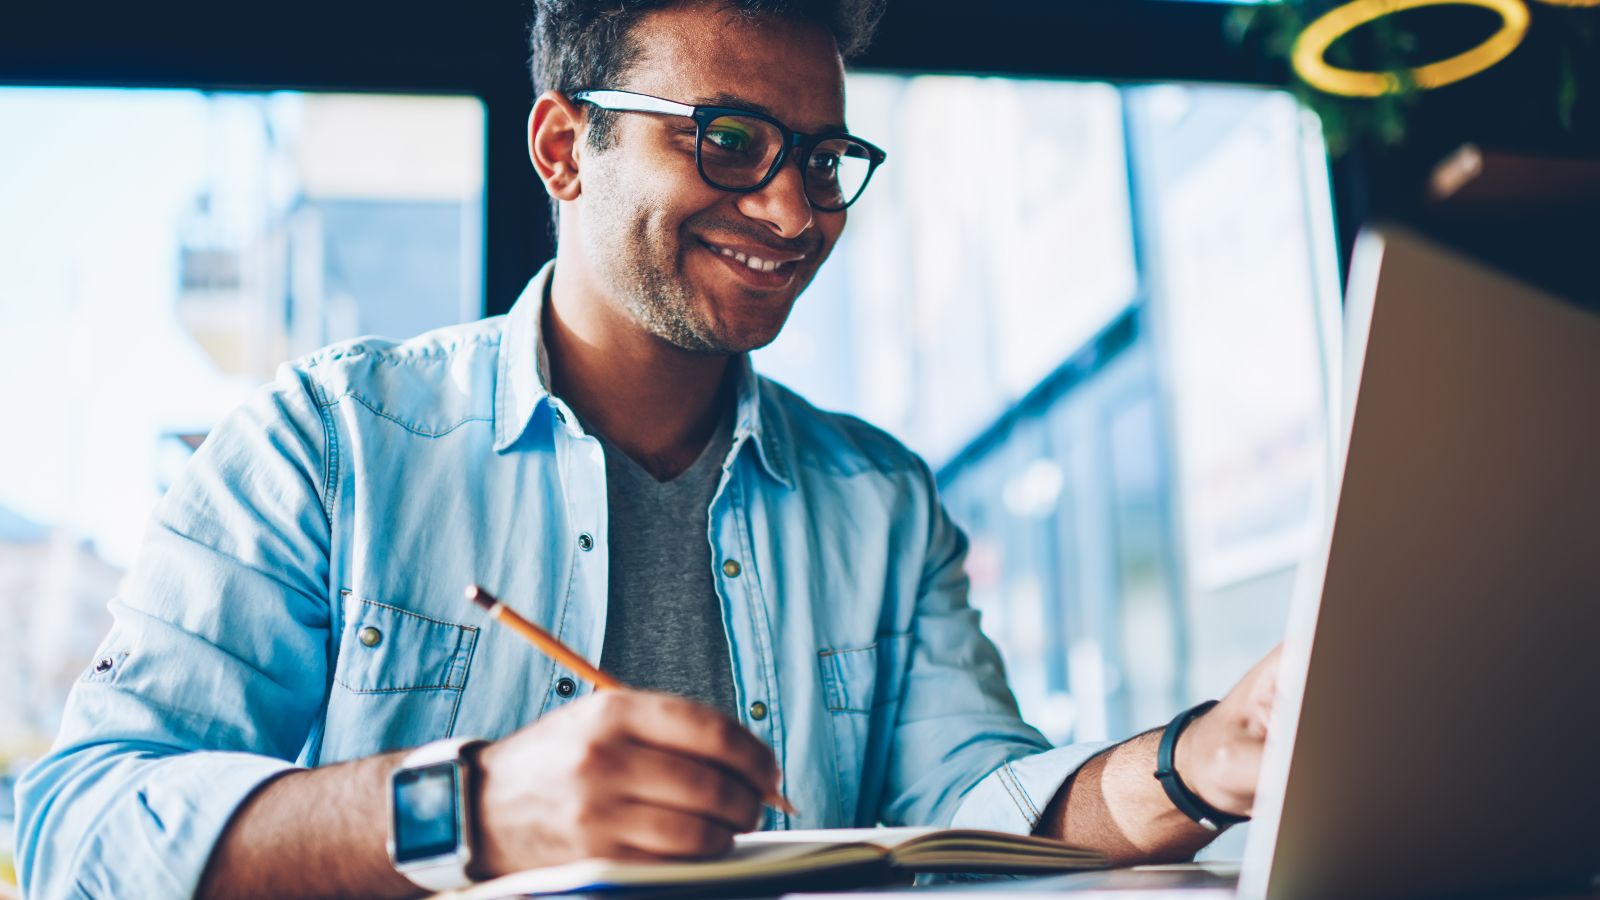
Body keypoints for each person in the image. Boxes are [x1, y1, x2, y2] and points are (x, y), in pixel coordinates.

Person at [14, 1, 1281, 897]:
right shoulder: (328, 445)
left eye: (825, 159)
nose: (793, 211)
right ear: (566, 147)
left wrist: (1198, 762)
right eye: (727, 140)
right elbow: (81, 832)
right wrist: (475, 809)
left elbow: (977, 814)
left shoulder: (880, 501)